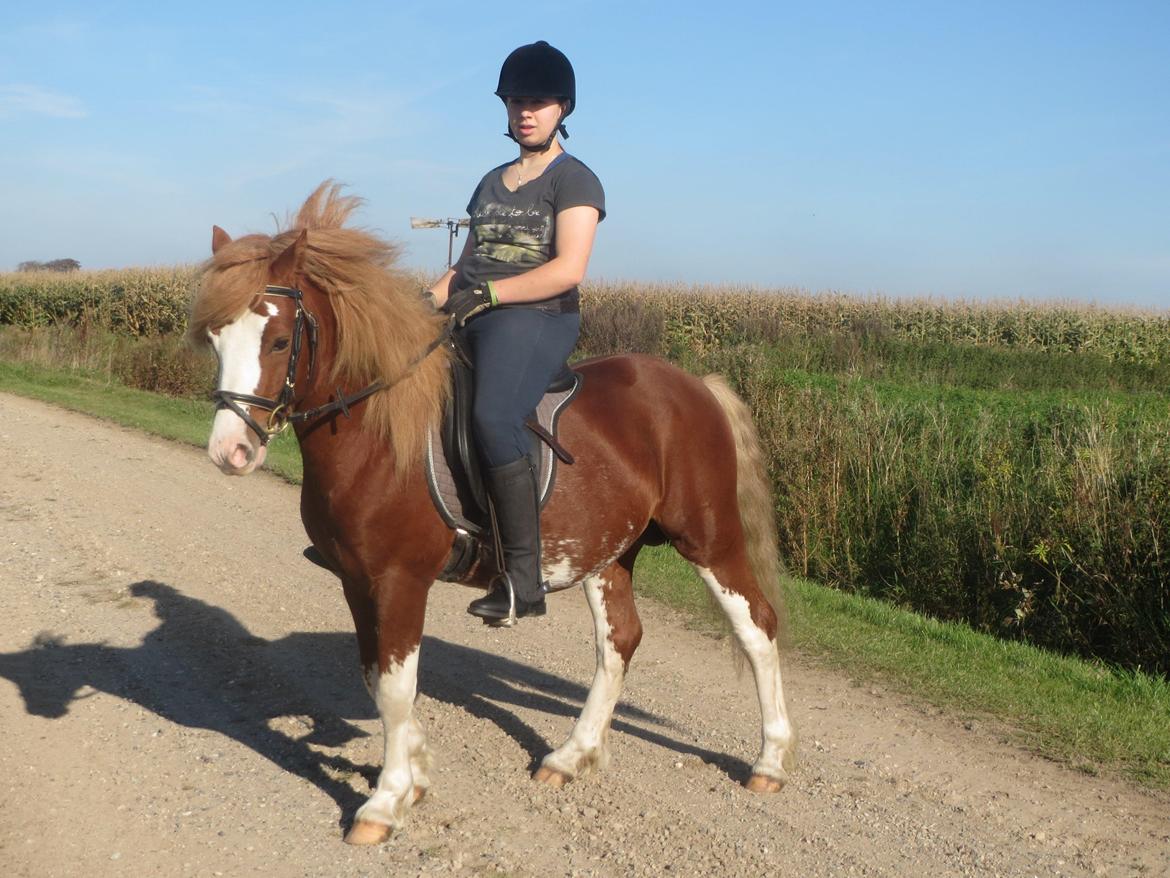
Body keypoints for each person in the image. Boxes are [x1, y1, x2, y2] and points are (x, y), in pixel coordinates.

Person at [426, 40, 605, 624]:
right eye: (516, 101)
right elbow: (467, 265)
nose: (526, 111)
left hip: (536, 315)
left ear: (562, 109)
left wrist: (493, 294)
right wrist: (424, 301)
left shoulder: (575, 181)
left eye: (539, 101)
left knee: (493, 416)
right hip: (475, 306)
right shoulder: (489, 182)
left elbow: (568, 268)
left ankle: (522, 579)